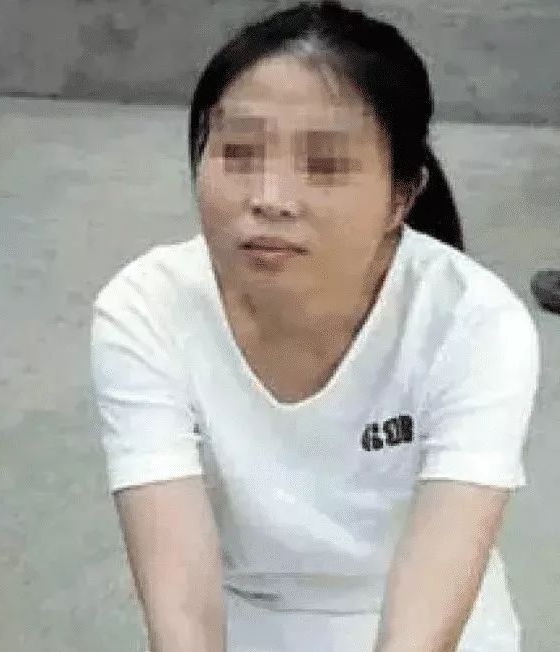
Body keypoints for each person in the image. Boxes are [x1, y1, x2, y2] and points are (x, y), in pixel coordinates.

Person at [89, 2, 540, 651]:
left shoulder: (474, 324)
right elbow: (180, 601)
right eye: (237, 153)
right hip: (246, 619)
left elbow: (428, 608)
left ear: (402, 195)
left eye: (324, 165)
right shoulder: (146, 310)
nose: (269, 198)